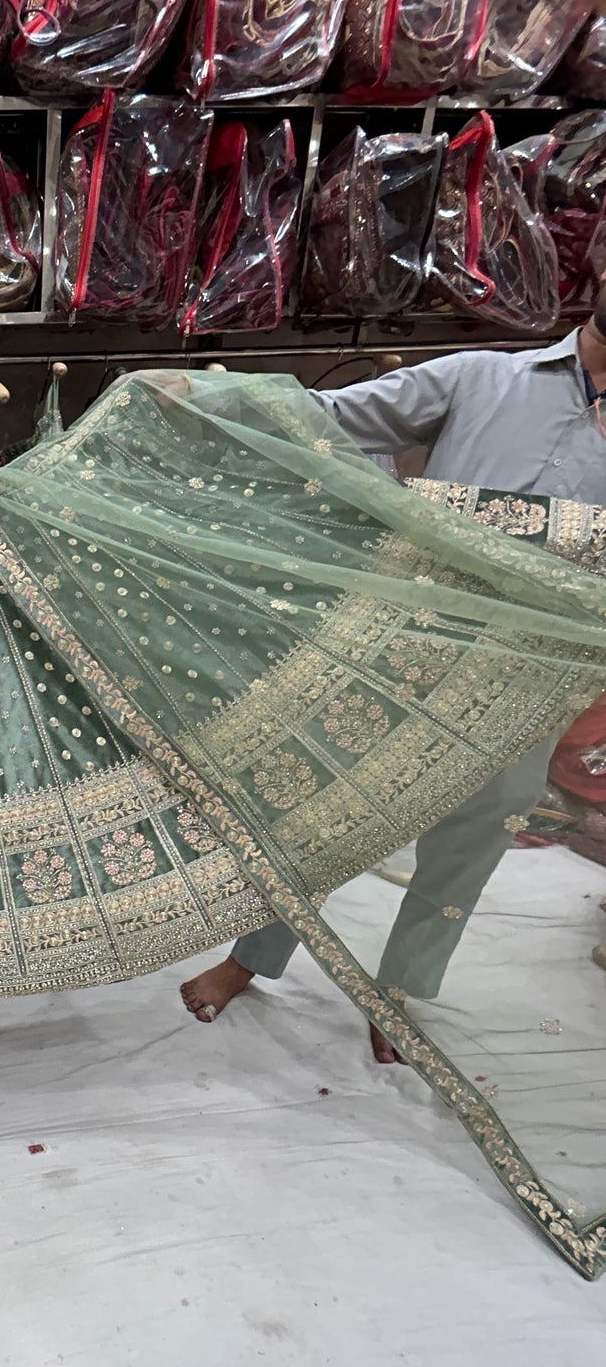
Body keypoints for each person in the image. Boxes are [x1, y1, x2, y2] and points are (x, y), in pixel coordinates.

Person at [182, 284, 606, 1061]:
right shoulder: (482, 378)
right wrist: (207, 393)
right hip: (407, 647)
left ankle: (399, 992)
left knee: (474, 835)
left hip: (531, 678)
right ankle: (251, 958)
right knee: (321, 806)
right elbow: (330, 416)